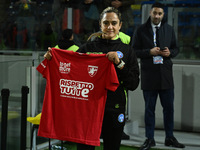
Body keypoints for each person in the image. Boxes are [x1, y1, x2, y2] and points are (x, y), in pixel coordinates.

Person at [45, 7, 139, 150]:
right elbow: (68, 70)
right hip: (87, 110)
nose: (110, 27)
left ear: (120, 25)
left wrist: (119, 64)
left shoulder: (127, 51)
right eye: (106, 23)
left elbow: (133, 84)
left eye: (114, 23)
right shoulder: (87, 48)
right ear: (100, 24)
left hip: (114, 108)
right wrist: (52, 60)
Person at [132, 2, 185, 150]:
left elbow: (176, 48)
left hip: (166, 75)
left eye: (160, 14)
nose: (157, 16)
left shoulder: (168, 29)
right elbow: (134, 51)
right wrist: (149, 52)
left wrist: (170, 53)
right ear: (150, 13)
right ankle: (150, 139)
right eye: (155, 13)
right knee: (150, 109)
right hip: (149, 75)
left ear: (163, 15)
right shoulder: (141, 30)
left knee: (169, 109)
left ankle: (169, 137)